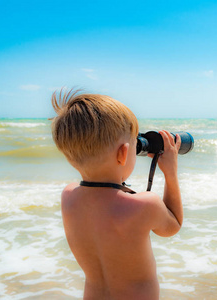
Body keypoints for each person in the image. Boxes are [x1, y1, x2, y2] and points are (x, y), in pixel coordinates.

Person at [50, 89, 183, 299]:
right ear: (123, 154)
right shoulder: (145, 205)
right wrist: (170, 173)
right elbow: (172, 225)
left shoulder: (69, 197)